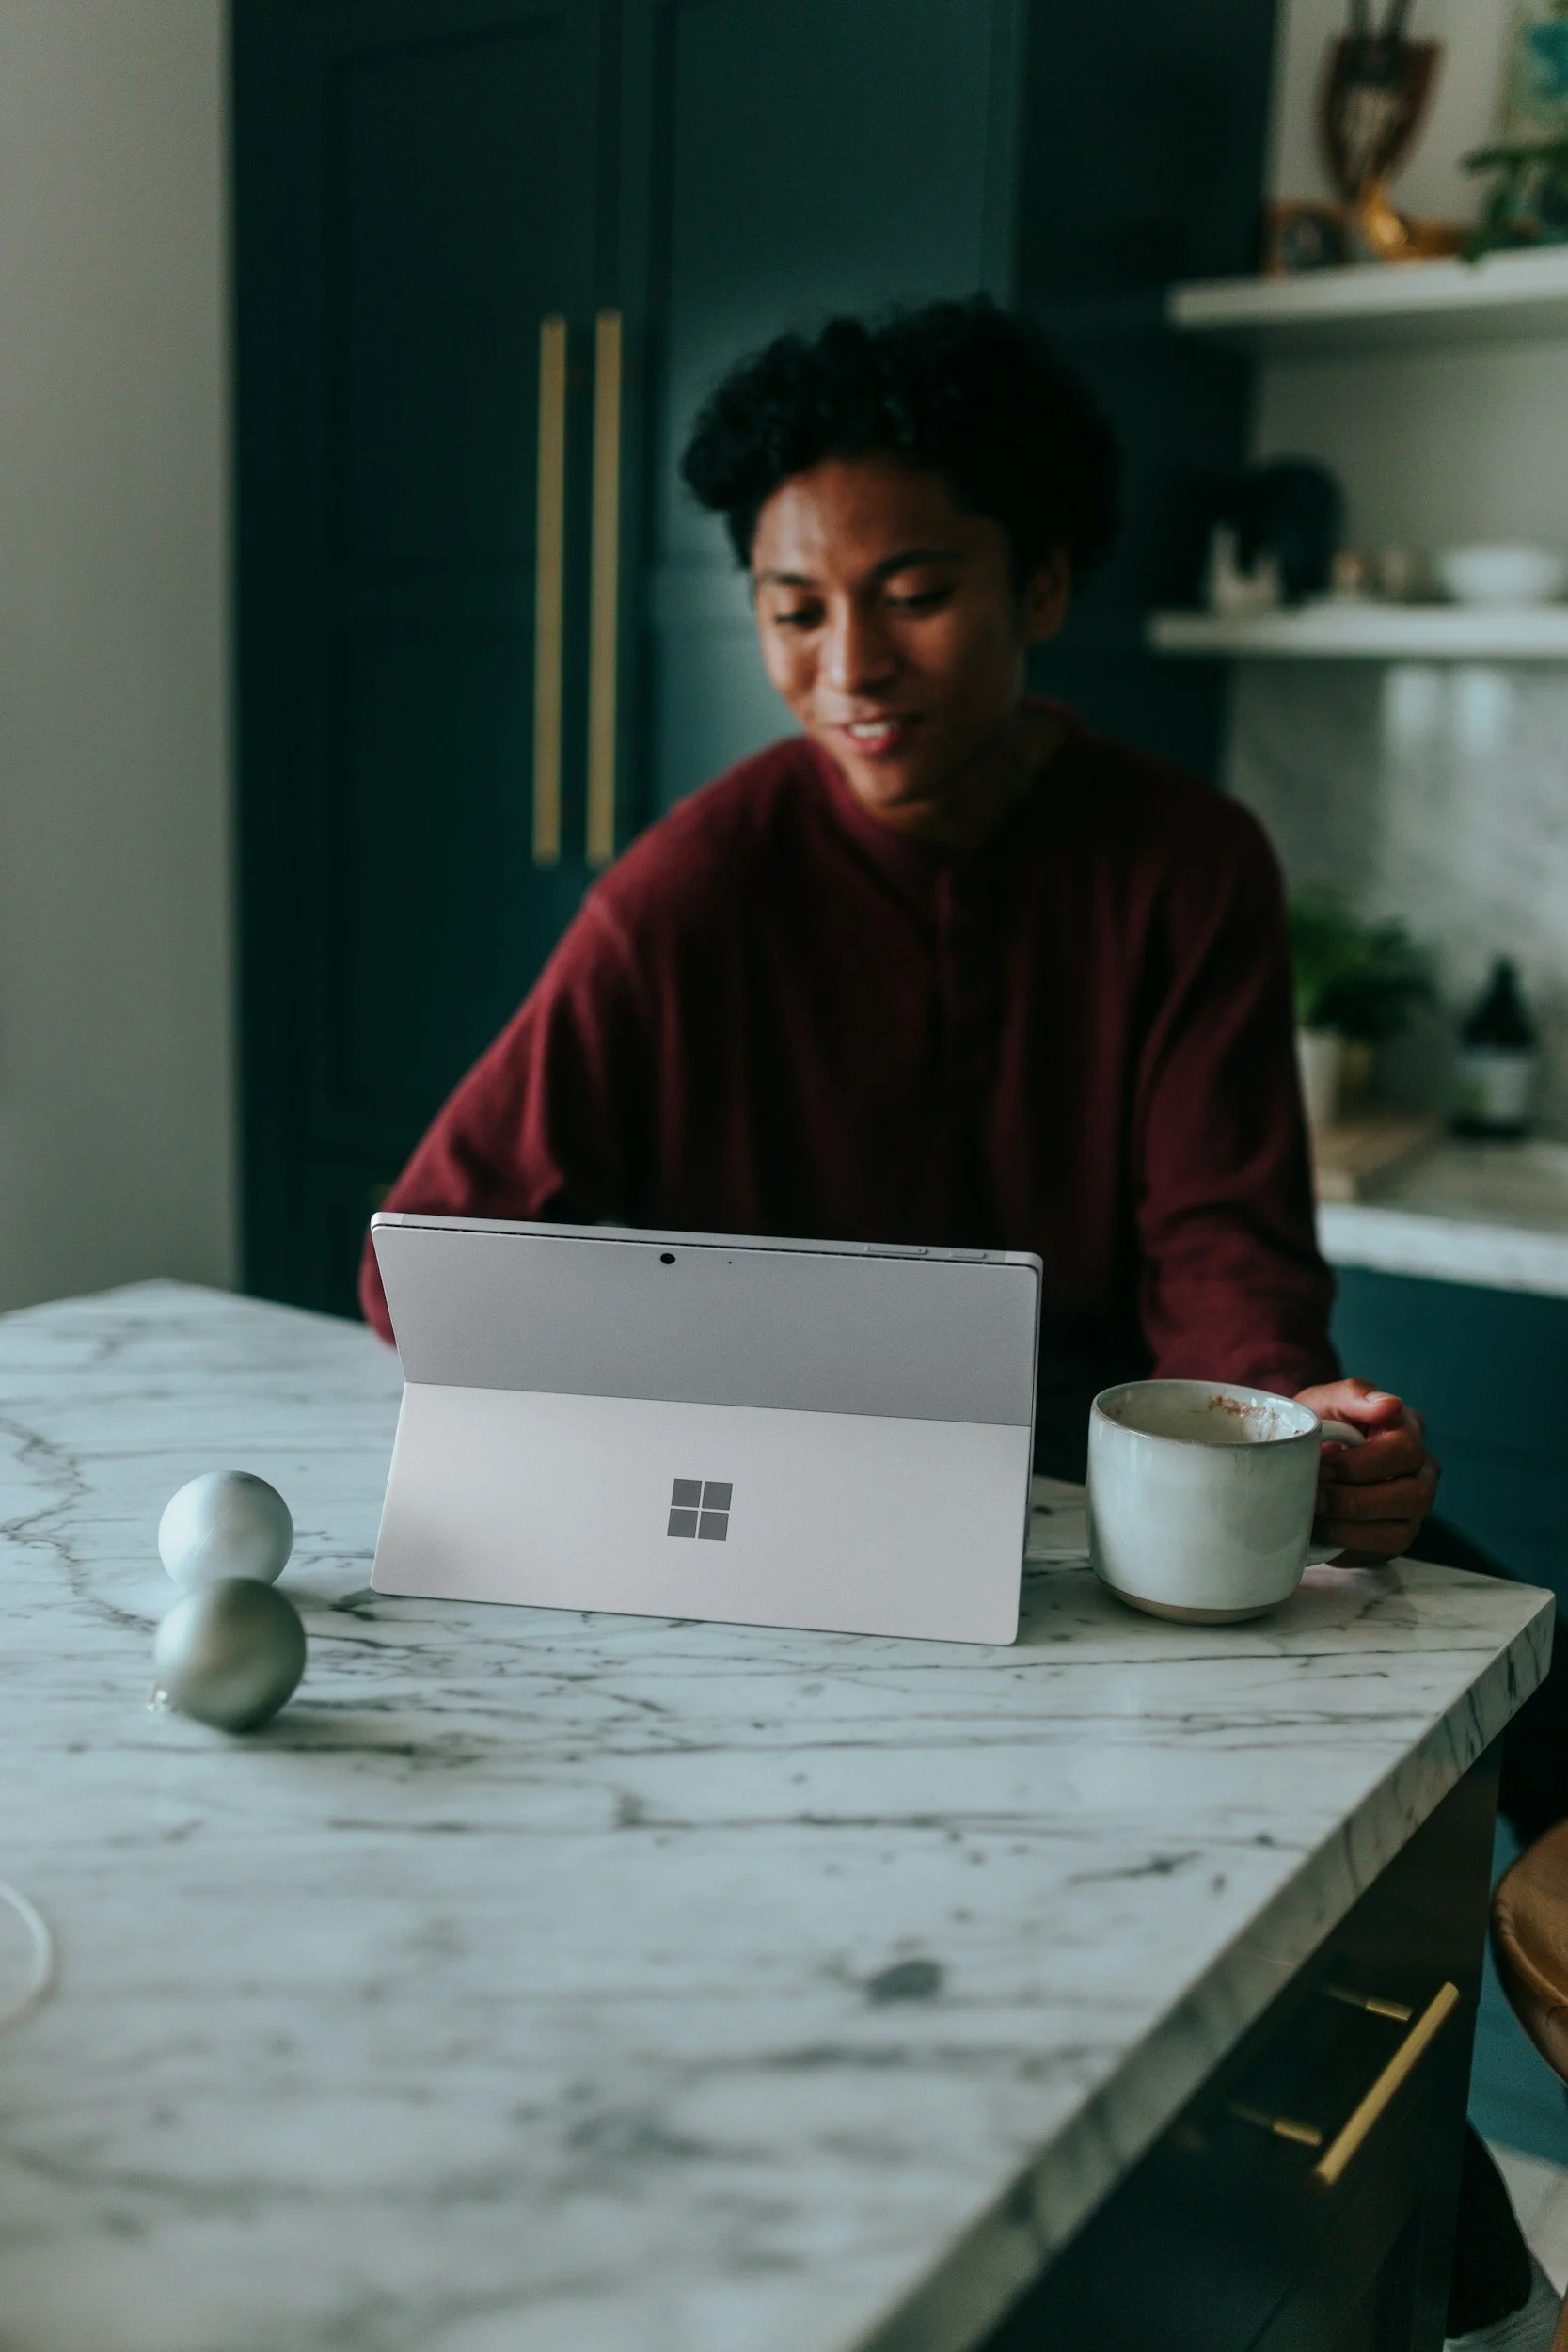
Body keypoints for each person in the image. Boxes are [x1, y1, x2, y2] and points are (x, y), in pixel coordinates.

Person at [357, 300, 1551, 2347]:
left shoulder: (1181, 866)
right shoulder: (691, 885)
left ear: (1043, 581)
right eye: (793, 606)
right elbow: (425, 1250)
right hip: (810, 1526)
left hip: (1121, 1496)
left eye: (910, 594)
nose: (847, 670)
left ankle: (1413, 2250)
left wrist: (1304, 1419)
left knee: (1489, 1663)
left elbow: (1227, 1271)